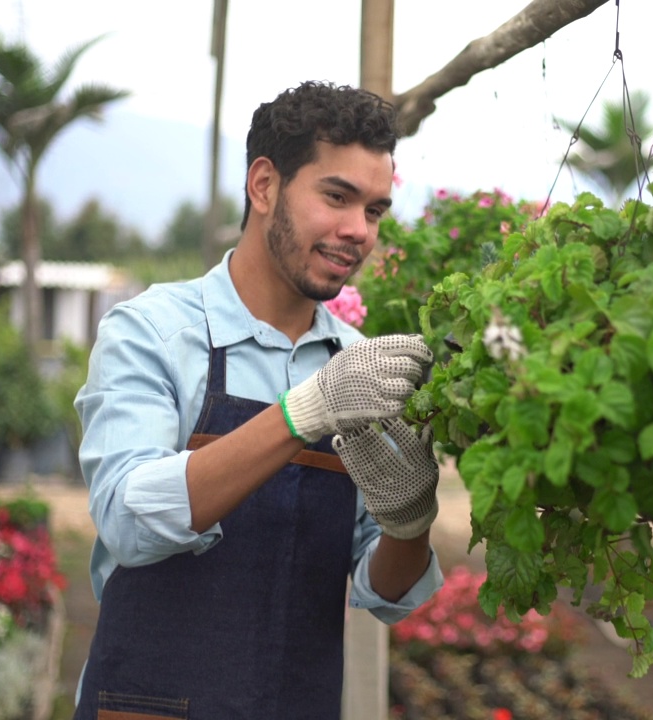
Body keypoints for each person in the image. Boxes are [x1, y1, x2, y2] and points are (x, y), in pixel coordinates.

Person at [72, 81, 444, 720]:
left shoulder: (359, 367)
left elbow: (381, 593)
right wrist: (303, 414)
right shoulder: (153, 332)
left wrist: (407, 525)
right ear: (265, 186)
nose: (358, 231)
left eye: (376, 210)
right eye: (337, 197)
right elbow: (127, 522)